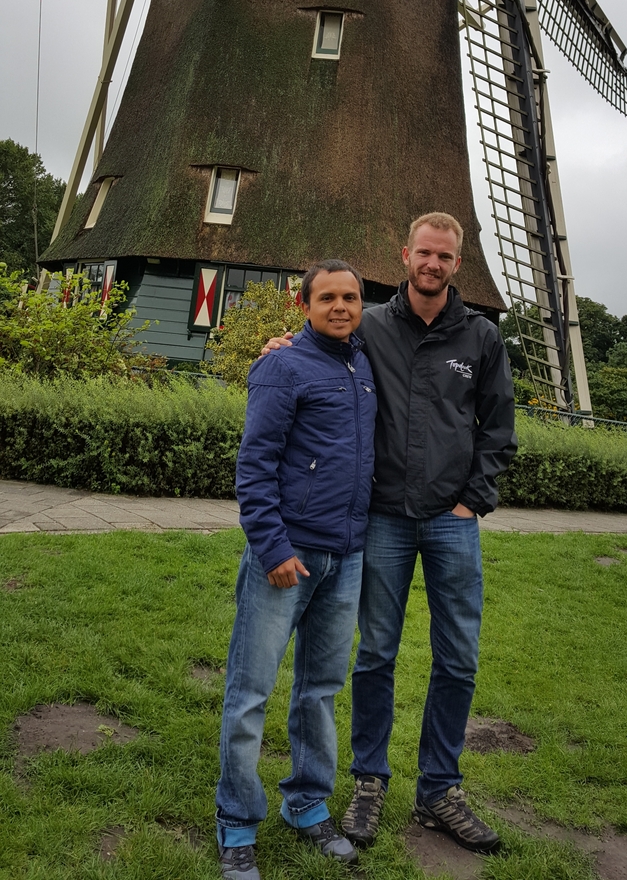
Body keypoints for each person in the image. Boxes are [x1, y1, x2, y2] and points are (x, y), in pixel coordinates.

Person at [265, 212, 516, 855]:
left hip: (451, 519)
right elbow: (320, 350)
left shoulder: (481, 338)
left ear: (458, 264)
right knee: (376, 651)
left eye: (445, 257)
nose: (433, 265)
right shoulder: (370, 325)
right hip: (383, 516)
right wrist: (281, 349)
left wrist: (473, 502)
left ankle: (440, 789)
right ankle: (369, 781)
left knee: (456, 655)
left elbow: (498, 428)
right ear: (405, 255)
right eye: (424, 254)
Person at [216, 259, 377, 880]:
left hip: (348, 553)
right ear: (304, 304)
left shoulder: (364, 363)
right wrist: (274, 547)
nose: (340, 306)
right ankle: (236, 822)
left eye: (351, 297)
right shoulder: (281, 366)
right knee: (250, 690)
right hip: (287, 555)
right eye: (328, 297)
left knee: (321, 689)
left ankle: (308, 803)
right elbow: (255, 464)